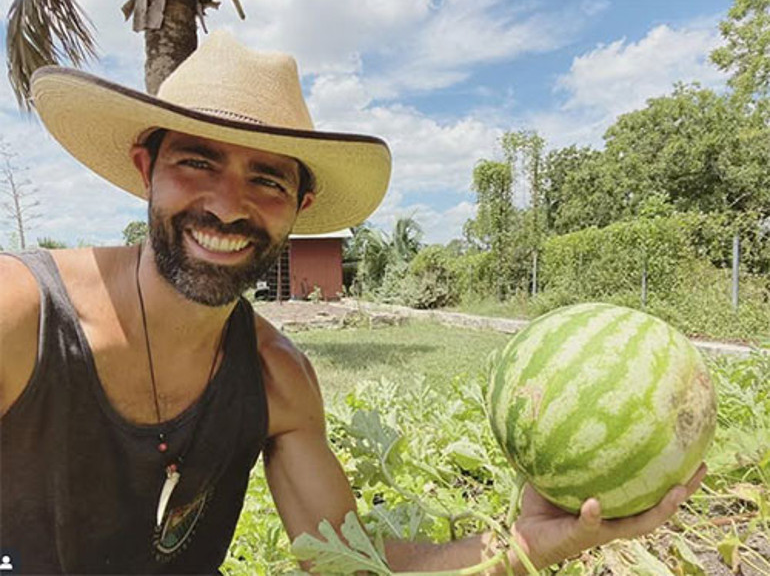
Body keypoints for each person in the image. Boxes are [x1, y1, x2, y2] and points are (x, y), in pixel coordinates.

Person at [0, 31, 706, 574]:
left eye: (267, 179)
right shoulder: (20, 317)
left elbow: (351, 559)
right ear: (145, 167)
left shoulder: (277, 378)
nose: (228, 204)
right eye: (197, 160)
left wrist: (531, 543)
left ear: (300, 207)